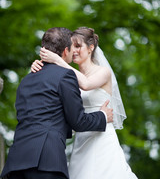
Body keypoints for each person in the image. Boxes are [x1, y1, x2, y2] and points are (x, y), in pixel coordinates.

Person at [0, 27, 113, 179]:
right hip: (46, 161)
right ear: (65, 51)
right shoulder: (66, 76)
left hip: (15, 163)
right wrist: (103, 116)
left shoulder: (27, 79)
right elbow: (78, 121)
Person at [31, 27, 138, 179]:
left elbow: (86, 84)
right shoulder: (71, 77)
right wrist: (38, 67)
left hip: (101, 138)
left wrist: (57, 59)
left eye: (78, 46)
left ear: (91, 48)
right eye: (71, 46)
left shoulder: (103, 72)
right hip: (81, 138)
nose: (73, 50)